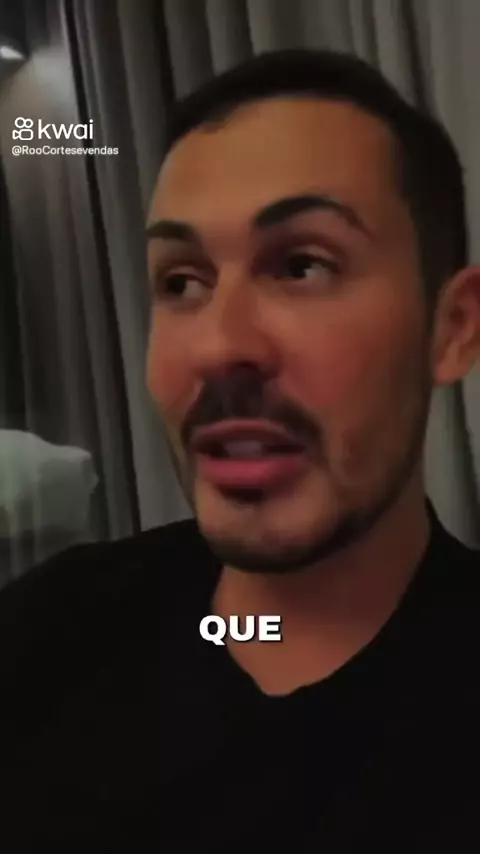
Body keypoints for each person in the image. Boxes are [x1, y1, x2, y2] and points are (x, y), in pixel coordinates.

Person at [1, 49, 479, 851]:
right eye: (182, 282)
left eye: (302, 266)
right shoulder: (50, 630)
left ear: (452, 327)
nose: (219, 347)